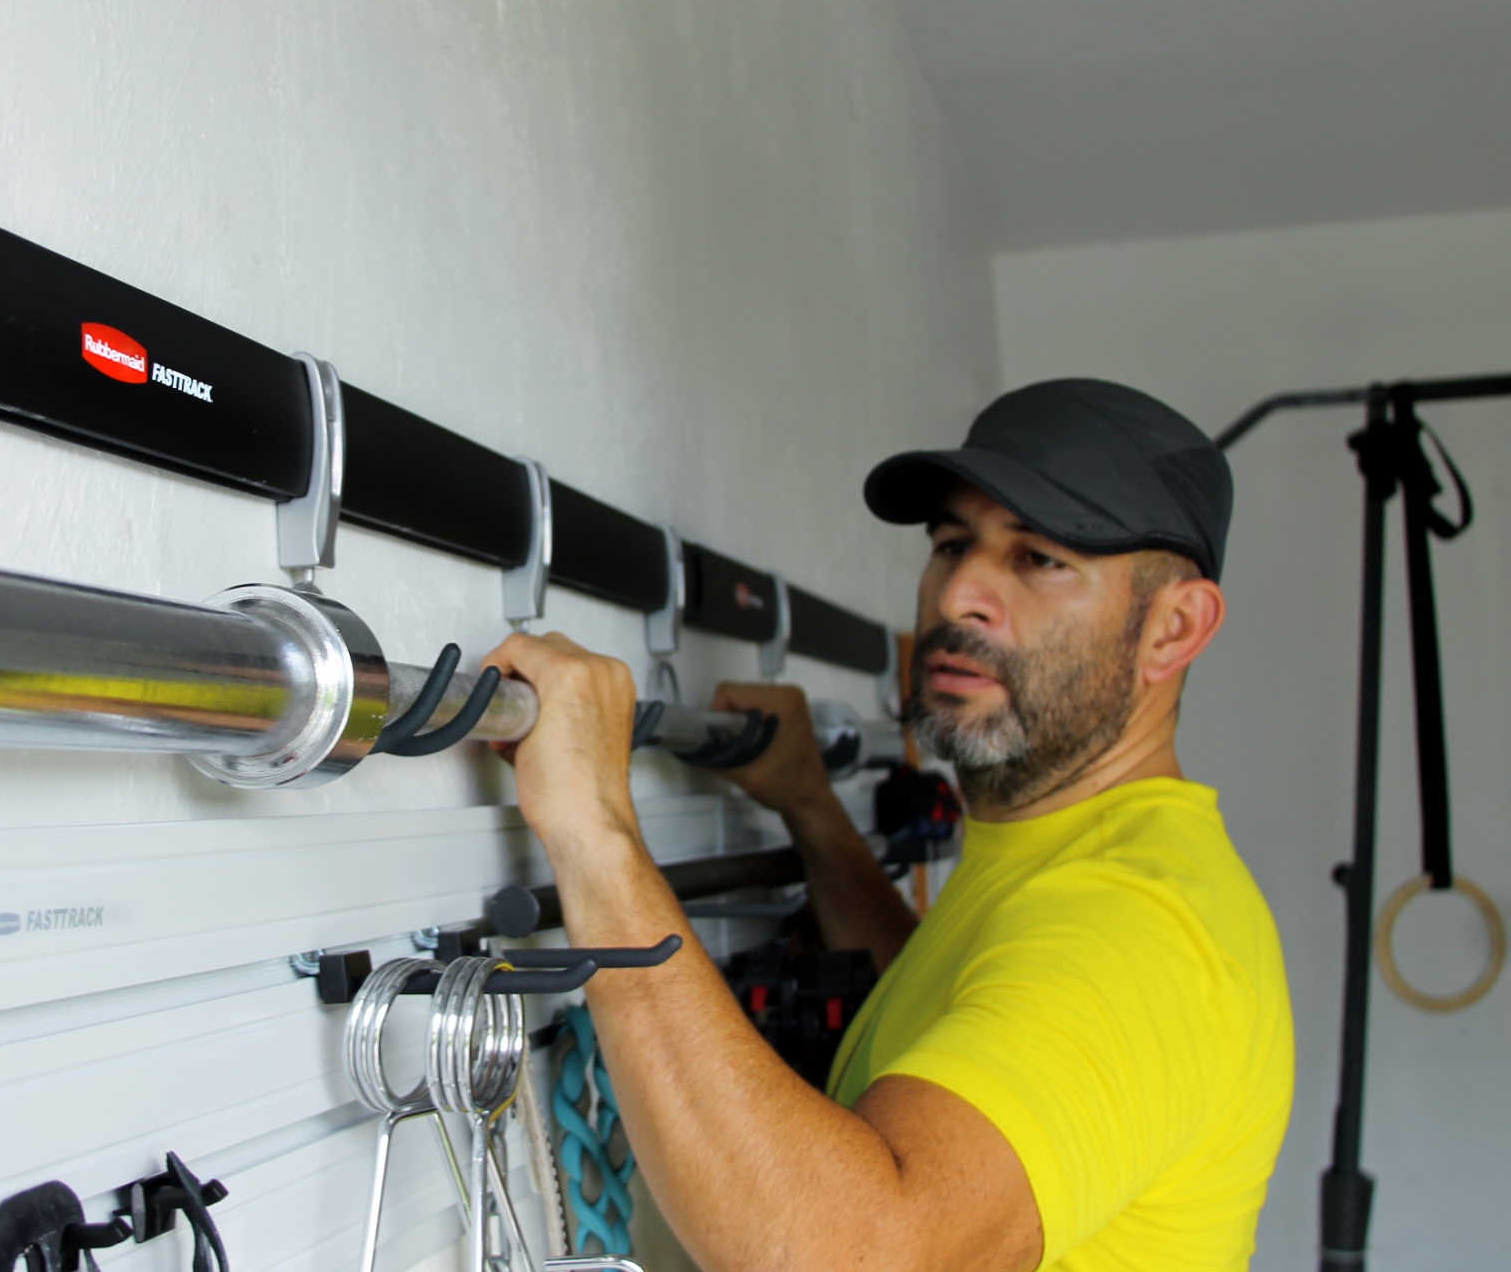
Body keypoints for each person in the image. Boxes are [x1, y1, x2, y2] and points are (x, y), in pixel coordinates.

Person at [484, 379, 1294, 1272]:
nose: (959, 597)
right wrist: (811, 806)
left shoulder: (1134, 926)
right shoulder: (1072, 849)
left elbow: (848, 1258)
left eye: (1040, 560)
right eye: (953, 542)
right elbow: (944, 1008)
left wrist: (594, 827)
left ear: (1174, 627)